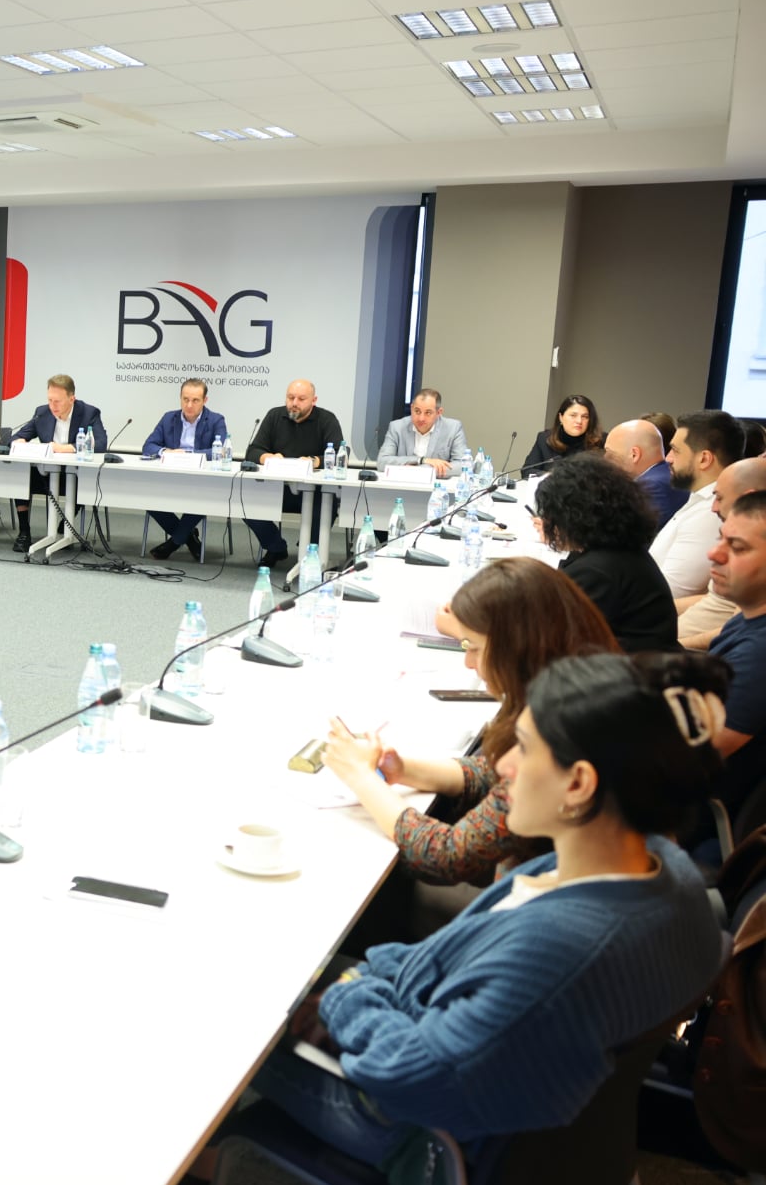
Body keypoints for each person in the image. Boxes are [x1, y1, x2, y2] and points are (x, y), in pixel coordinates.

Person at [233, 653, 726, 1185]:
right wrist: (372, 983)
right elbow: (440, 962)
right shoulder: (658, 867)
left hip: (425, 1145)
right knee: (292, 967)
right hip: (526, 1123)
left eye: (525, 748)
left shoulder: (560, 949)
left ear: (578, 783)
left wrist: (349, 994)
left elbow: (410, 1075)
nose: (505, 767)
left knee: (215, 1011)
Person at [322, 558, 619, 887]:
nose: (468, 662)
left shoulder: (562, 726)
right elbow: (494, 774)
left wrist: (362, 778)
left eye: (474, 648)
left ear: (517, 647)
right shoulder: (580, 687)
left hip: (519, 900)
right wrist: (403, 769)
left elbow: (447, 855)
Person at [532, 454, 680, 653]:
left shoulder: (596, 571)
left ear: (570, 517)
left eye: (550, 514)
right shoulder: (620, 550)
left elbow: (554, 638)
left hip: (628, 667)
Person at [706, 491, 766, 838]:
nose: (714, 553)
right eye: (721, 539)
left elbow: (686, 757)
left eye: (738, 548)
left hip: (693, 821)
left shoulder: (759, 655)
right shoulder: (747, 618)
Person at [242, 378, 344, 571]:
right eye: (290, 397)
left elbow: (340, 454)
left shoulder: (326, 419)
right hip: (279, 489)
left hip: (316, 492)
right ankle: (276, 547)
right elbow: (253, 451)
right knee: (245, 504)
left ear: (313, 400)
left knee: (326, 507)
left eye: (301, 399)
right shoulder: (275, 415)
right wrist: (268, 457)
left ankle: (309, 552)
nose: (294, 403)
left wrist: (315, 461)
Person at [9, 374, 107, 554]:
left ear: (71, 399)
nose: (53, 406)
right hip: (46, 474)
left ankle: (66, 528)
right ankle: (24, 532)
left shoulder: (89, 413)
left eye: (58, 401)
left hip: (76, 475)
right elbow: (16, 437)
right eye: (50, 400)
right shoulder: (42, 412)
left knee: (83, 483)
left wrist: (66, 448)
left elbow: (101, 445)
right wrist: (19, 442)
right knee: (21, 476)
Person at [651, 408, 742, 598]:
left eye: (675, 450)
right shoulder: (699, 500)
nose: (668, 458)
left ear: (704, 459)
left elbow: (670, 592)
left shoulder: (711, 513)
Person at [678, 457, 766, 649]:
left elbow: (740, 632)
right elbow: (716, 602)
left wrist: (671, 648)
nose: (713, 507)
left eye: (719, 498)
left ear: (746, 497)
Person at [141, 378, 228, 560]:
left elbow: (219, 451)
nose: (189, 405)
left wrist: (189, 455)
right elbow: (148, 446)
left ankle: (173, 543)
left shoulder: (216, 420)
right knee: (147, 497)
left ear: (205, 400)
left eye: (195, 400)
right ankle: (189, 538)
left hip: (201, 480)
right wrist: (167, 452)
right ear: (180, 398)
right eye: (185, 399)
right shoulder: (169, 418)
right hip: (170, 477)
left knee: (203, 498)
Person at [603, 418, 685, 525]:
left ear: (634, 455)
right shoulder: (668, 477)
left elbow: (631, 532)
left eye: (610, 454)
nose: (605, 458)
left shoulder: (650, 487)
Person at [374, 388, 470, 478]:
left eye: (428, 413)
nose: (421, 418)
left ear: (439, 412)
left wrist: (419, 470)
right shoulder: (397, 427)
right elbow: (382, 462)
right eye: (417, 411)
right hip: (403, 484)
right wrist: (421, 460)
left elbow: (463, 465)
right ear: (411, 408)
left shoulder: (453, 428)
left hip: (436, 485)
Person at [522, 394, 603, 473]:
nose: (579, 421)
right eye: (573, 415)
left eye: (585, 417)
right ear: (561, 417)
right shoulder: (545, 439)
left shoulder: (600, 441)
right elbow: (527, 470)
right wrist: (552, 477)